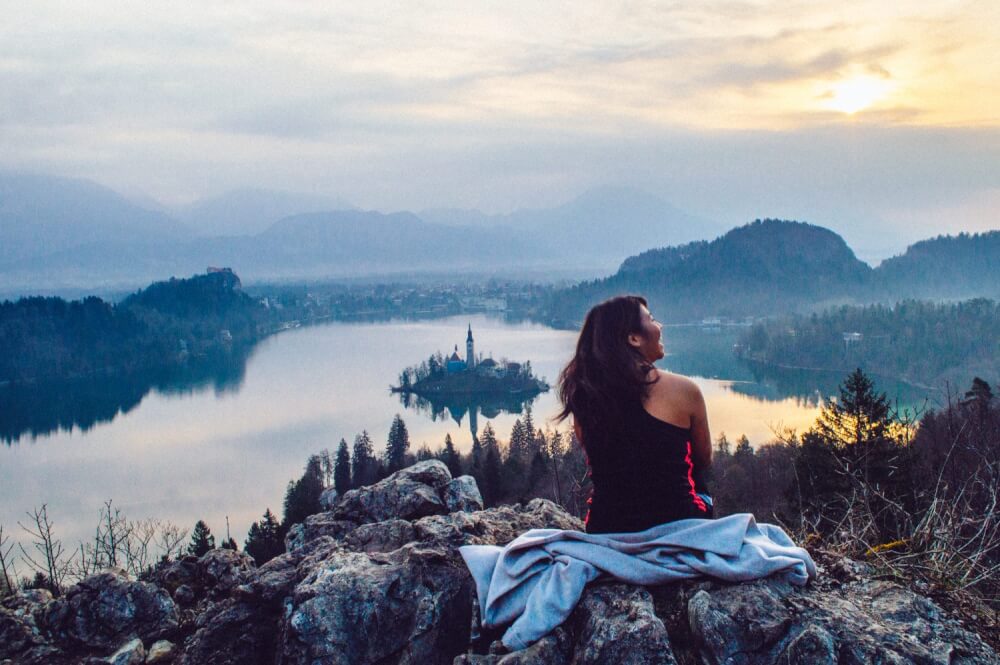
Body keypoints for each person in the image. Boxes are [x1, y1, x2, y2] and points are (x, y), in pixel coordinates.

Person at [555, 295, 713, 533]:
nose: (660, 326)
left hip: (605, 529)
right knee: (697, 480)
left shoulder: (585, 397)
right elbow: (703, 459)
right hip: (681, 527)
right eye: (652, 319)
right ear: (634, 338)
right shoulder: (684, 390)